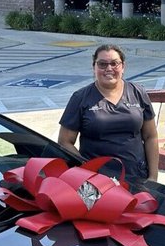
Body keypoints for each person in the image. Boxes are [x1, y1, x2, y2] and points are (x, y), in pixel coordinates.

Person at [58, 44, 159, 182]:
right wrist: (87, 169)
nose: (109, 68)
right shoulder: (80, 98)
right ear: (94, 67)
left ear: (123, 66)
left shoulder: (138, 93)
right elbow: (65, 142)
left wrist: (153, 177)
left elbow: (151, 137)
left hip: (136, 177)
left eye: (114, 63)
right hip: (96, 181)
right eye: (102, 64)